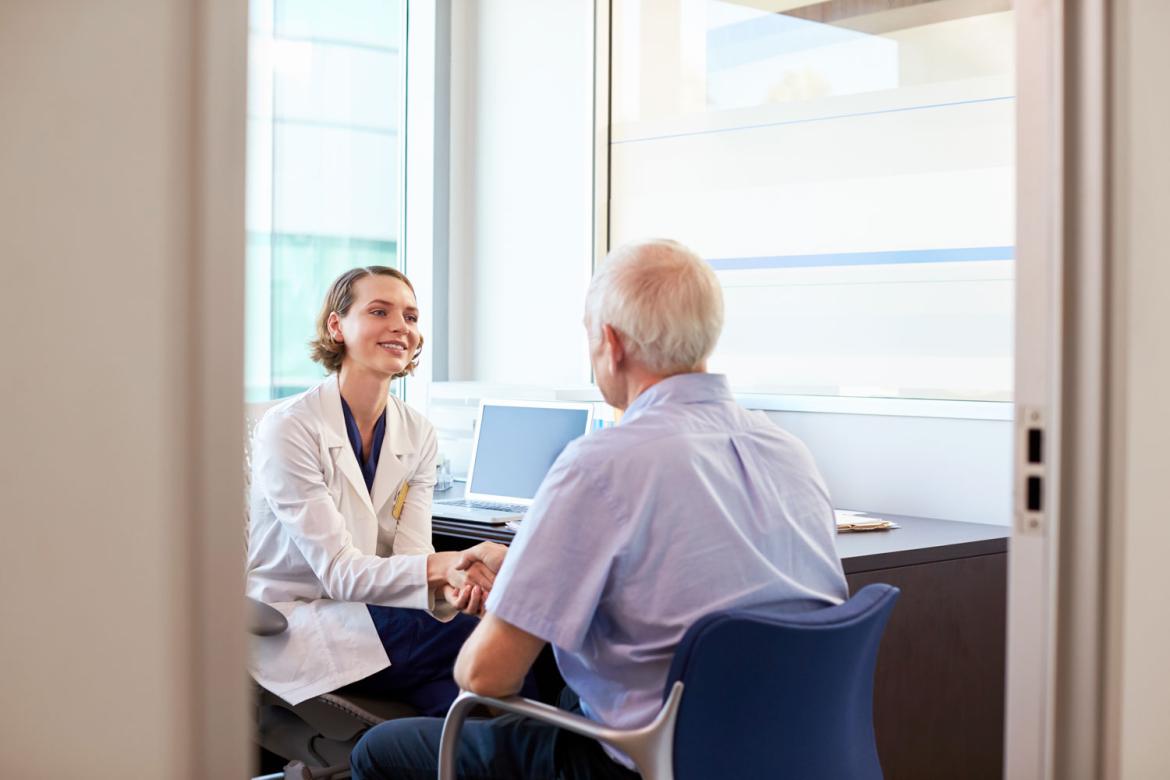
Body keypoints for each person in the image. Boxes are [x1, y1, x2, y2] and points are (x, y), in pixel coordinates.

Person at [350, 239, 850, 779]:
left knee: (380, 751)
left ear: (611, 344)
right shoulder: (789, 452)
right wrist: (528, 573)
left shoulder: (601, 464)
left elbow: (485, 677)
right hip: (787, 753)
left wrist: (517, 592)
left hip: (645, 762)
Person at [246, 265, 508, 715]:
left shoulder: (417, 433)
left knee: (478, 705)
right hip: (299, 621)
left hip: (380, 616)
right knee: (498, 637)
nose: (400, 326)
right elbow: (340, 573)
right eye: (379, 311)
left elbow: (413, 556)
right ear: (337, 326)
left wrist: (455, 587)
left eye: (410, 316)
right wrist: (449, 565)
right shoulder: (291, 428)